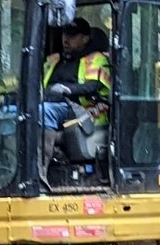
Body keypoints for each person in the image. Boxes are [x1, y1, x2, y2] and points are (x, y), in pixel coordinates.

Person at [38, 20, 110, 185]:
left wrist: (67, 89)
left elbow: (94, 86)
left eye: (72, 36)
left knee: (44, 111)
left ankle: (40, 171)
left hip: (82, 111)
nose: (65, 39)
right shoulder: (54, 60)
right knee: (14, 109)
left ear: (85, 39)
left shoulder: (96, 59)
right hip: (54, 104)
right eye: (64, 34)